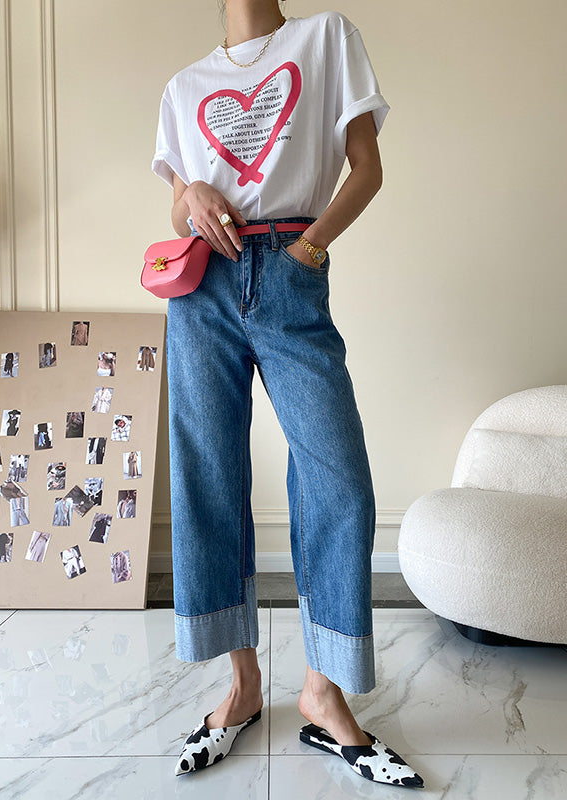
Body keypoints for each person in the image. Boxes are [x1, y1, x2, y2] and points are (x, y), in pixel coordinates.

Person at [152, 0, 424, 788]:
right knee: (207, 474)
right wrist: (192, 198)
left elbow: (366, 167)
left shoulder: (325, 37)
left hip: (290, 270)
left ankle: (322, 694)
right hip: (202, 285)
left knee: (338, 476)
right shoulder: (184, 85)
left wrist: (310, 247)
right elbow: (176, 199)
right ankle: (241, 687)